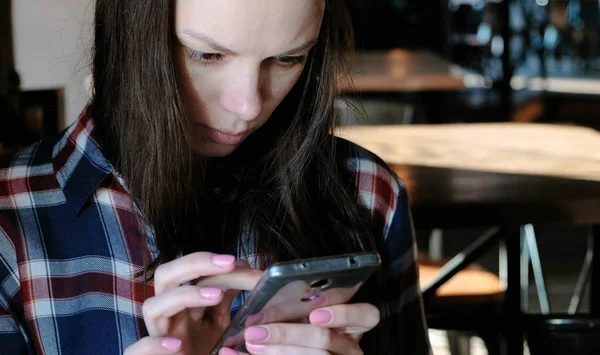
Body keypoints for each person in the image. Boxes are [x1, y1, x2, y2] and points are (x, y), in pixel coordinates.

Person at [0, 0, 431, 354]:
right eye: (206, 54)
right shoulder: (9, 223)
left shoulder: (367, 191)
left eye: (287, 58)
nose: (247, 105)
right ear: (130, 34)